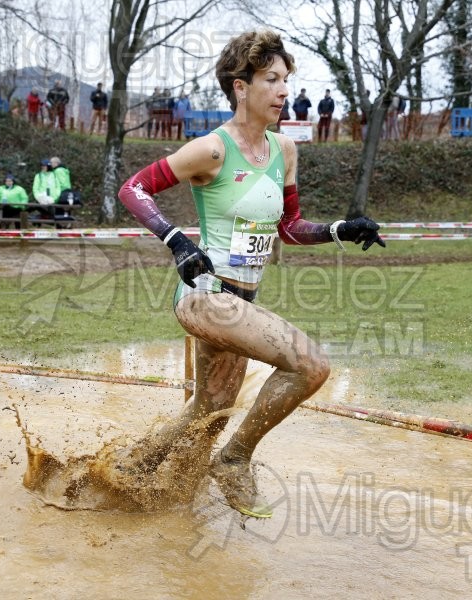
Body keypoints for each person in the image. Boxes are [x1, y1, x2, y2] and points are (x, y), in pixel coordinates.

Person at [117, 29, 385, 519]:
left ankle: (124, 473)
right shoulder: (212, 150)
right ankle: (235, 460)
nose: (284, 91)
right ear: (241, 87)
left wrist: (343, 229)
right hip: (205, 297)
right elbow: (133, 189)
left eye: (286, 80)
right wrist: (176, 240)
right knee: (311, 366)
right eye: (271, 79)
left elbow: (290, 228)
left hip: (243, 301)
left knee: (208, 413)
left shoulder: (284, 150)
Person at [50, 156, 82, 221]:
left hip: (61, 193)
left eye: (51, 162)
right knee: (65, 211)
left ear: (56, 163)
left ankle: (60, 227)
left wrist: (57, 192)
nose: (50, 164)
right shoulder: (64, 170)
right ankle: (66, 226)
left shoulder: (58, 171)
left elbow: (62, 183)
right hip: (67, 193)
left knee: (60, 212)